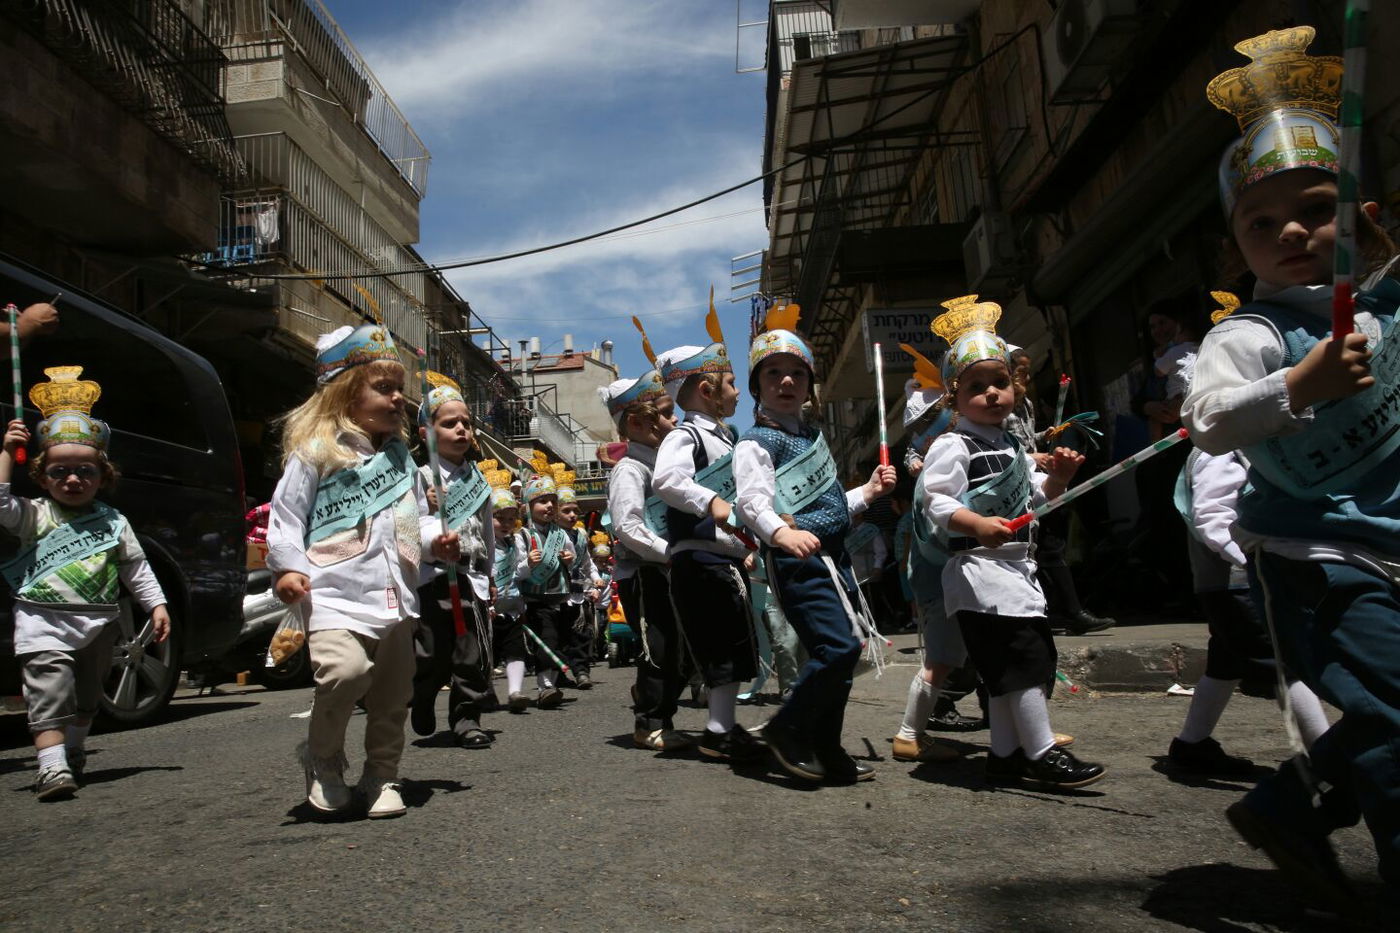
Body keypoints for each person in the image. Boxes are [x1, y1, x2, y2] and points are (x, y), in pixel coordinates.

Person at [1183, 26, 1400, 910]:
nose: (1293, 232)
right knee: (1392, 717)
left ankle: (1291, 804)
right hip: (1321, 559)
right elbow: (1208, 420)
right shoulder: (1252, 334)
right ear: (1238, 248)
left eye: (1316, 207)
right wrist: (1298, 384)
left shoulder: (1386, 301)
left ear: (1363, 217)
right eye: (1262, 224)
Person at [267, 323, 460, 818]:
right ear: (345, 393)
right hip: (332, 591)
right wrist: (288, 567)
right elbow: (286, 518)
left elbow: (418, 518)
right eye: (384, 387)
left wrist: (439, 544)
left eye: (400, 388)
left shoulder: (402, 459)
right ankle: (324, 760)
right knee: (344, 674)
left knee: (394, 695)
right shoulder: (315, 452)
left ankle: (382, 774)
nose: (398, 398)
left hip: (397, 594)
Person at [920, 295, 1104, 791]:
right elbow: (935, 502)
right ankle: (1041, 752)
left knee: (1006, 669)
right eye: (976, 387)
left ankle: (1004, 755)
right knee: (1025, 662)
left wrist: (1059, 479)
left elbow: (1034, 500)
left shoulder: (1011, 445)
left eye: (999, 382)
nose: (992, 394)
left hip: (1018, 569)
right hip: (978, 570)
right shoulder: (953, 445)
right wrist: (975, 524)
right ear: (953, 397)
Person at [733, 301, 897, 783]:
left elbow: (827, 508)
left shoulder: (812, 437)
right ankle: (786, 730)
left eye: (797, 374)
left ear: (809, 384)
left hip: (834, 558)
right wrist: (782, 532)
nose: (787, 382)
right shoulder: (756, 442)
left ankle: (826, 748)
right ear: (757, 386)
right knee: (837, 647)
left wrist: (868, 491)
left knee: (843, 655)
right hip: (798, 563)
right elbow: (752, 504)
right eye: (774, 374)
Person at [0, 366, 169, 800]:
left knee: (89, 696)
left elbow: (135, 567)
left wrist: (157, 605)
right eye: (59, 471)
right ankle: (52, 767)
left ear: (102, 474)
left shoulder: (114, 522)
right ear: (41, 476)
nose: (72, 479)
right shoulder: (33, 515)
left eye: (84, 470)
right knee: (49, 692)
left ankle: (73, 750)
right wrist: (6, 452)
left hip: (98, 624)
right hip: (42, 621)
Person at [1169, 346, 1329, 773]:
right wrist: (1251, 558)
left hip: (1239, 580)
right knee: (1284, 664)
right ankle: (1332, 759)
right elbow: (1212, 515)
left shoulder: (1248, 443)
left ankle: (1191, 744)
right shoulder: (1216, 449)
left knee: (1226, 661)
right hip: (1237, 579)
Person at [652, 303, 766, 765]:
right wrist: (711, 501)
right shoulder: (685, 438)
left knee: (737, 645)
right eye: (732, 382)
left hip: (725, 558)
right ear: (707, 389)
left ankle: (722, 727)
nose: (739, 392)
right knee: (720, 646)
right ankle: (719, 732)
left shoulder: (729, 438)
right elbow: (668, 482)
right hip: (698, 559)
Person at [600, 362, 697, 751]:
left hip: (672, 567)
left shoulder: (666, 463)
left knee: (682, 646)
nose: (675, 419)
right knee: (658, 645)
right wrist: (668, 554)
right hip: (645, 571)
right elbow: (627, 526)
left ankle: (653, 699)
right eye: (666, 412)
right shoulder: (629, 468)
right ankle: (651, 722)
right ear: (639, 424)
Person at [409, 372, 497, 750]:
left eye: (466, 423)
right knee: (431, 652)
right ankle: (423, 695)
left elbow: (487, 533)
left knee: (471, 654)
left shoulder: (478, 478)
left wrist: (490, 572)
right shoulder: (418, 476)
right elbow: (407, 530)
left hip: (470, 579)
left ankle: (466, 719)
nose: (461, 429)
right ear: (426, 433)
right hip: (432, 580)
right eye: (450, 423)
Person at [1006, 347, 1116, 636]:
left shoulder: (1026, 404)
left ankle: (1060, 611)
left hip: (1038, 481)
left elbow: (1026, 441)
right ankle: (1066, 612)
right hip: (1018, 485)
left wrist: (1046, 436)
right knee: (1044, 548)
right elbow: (1002, 449)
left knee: (1051, 546)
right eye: (1021, 371)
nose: (1026, 377)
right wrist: (1033, 457)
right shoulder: (1001, 407)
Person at [517, 471, 574, 709]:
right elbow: (517, 570)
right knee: (546, 640)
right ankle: (545, 687)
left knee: (558, 640)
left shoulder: (561, 534)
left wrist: (569, 558)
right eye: (542, 501)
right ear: (529, 507)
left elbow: (573, 557)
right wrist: (528, 564)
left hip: (559, 595)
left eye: (553, 501)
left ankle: (550, 682)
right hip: (536, 597)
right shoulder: (523, 535)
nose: (549, 506)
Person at [483, 462, 531, 711]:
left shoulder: (517, 542)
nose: (505, 523)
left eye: (511, 519)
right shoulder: (482, 543)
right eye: (499, 518)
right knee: (486, 656)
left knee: (515, 651)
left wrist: (529, 565)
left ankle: (515, 692)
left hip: (512, 606)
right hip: (489, 609)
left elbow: (519, 572)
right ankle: (487, 691)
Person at [554, 479, 601, 689]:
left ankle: (582, 670)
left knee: (581, 634)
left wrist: (595, 579)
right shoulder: (552, 535)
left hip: (577, 591)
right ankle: (559, 673)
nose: (572, 515)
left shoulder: (580, 535)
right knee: (559, 637)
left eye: (575, 511)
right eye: (566, 511)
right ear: (555, 514)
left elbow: (586, 562)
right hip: (557, 593)